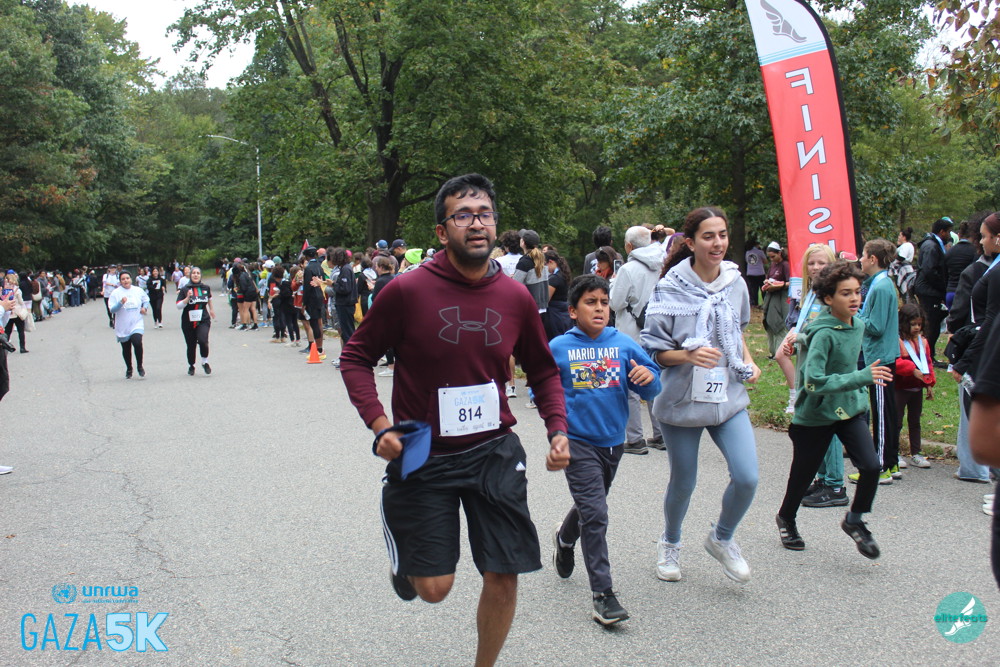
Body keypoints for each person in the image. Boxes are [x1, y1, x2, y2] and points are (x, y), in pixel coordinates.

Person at [340, 173, 569, 667]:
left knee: (503, 572)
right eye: (463, 215)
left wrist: (557, 430)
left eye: (484, 214)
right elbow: (355, 356)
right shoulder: (407, 291)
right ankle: (405, 545)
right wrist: (380, 424)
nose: (477, 223)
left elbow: (544, 369)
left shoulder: (515, 297)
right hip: (425, 452)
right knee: (434, 589)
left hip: (493, 450)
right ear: (443, 232)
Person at [641, 206, 761, 584]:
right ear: (691, 243)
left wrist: (748, 361)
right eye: (708, 236)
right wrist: (688, 355)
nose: (718, 243)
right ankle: (670, 543)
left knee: (747, 477)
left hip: (727, 397)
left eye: (722, 235)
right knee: (684, 482)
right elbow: (653, 353)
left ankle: (721, 538)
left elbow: (737, 331)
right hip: (681, 400)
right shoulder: (669, 287)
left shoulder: (735, 282)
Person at [549, 274, 661, 625]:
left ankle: (564, 538)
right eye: (590, 302)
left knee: (590, 507)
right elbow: (542, 389)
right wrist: (557, 430)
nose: (599, 309)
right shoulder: (559, 347)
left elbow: (651, 383)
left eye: (603, 302)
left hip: (613, 443)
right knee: (596, 514)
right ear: (572, 311)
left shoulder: (623, 343)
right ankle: (603, 594)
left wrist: (648, 378)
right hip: (577, 442)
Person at [775, 261, 892, 559]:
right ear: (828, 298)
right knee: (802, 476)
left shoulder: (858, 324)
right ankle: (786, 518)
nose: (854, 299)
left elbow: (824, 338)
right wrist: (861, 377)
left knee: (871, 466)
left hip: (849, 409)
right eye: (845, 293)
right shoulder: (824, 333)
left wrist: (802, 338)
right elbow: (813, 381)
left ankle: (854, 520)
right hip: (816, 414)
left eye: (857, 292)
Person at [609, 225, 666, 454]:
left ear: (629, 246)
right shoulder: (663, 264)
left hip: (630, 332)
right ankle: (661, 434)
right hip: (657, 330)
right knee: (653, 377)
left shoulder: (628, 269)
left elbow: (615, 303)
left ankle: (635, 439)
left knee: (630, 384)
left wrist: (613, 284)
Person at [850, 239, 901, 484]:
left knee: (881, 413)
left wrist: (856, 315)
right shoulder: (881, 283)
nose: (860, 259)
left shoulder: (881, 287)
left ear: (873, 259)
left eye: (863, 255)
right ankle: (891, 462)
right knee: (886, 410)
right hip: (882, 355)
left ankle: (880, 466)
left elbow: (876, 326)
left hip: (880, 357)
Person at [775, 244, 836, 414]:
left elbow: (828, 334)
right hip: (806, 366)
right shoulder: (810, 293)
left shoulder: (831, 296)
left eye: (821, 263)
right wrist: (795, 345)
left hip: (822, 369)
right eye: (811, 263)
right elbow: (806, 325)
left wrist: (800, 338)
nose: (815, 267)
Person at [894, 303, 935, 468]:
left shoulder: (923, 342)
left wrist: (929, 383)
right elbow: (895, 362)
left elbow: (928, 363)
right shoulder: (898, 341)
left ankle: (916, 453)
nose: (917, 327)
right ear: (904, 323)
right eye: (913, 324)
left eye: (919, 324)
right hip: (899, 388)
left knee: (915, 421)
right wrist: (912, 370)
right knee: (897, 421)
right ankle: (894, 452)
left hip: (916, 388)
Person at [914, 217, 953, 365]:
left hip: (929, 289)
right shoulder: (931, 246)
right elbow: (930, 270)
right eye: (948, 232)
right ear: (942, 232)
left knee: (933, 322)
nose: (949, 235)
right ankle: (927, 355)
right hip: (929, 291)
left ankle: (928, 354)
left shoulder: (932, 245)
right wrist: (942, 287)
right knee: (931, 324)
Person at [108, 271, 150, 379]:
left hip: (136, 323)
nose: (125, 280)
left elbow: (146, 299)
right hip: (123, 325)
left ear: (131, 279)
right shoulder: (116, 293)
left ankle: (140, 366)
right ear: (120, 281)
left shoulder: (138, 290)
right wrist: (120, 303)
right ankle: (129, 368)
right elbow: (112, 309)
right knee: (126, 348)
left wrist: (144, 308)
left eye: (127, 278)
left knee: (137, 342)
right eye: (123, 279)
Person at [177, 267, 215, 376]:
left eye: (198, 273)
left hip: (203, 319)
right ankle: (191, 365)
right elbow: (178, 306)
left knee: (203, 340)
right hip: (188, 321)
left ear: (200, 275)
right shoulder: (185, 289)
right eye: (193, 273)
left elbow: (209, 298)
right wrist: (187, 298)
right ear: (190, 275)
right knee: (191, 344)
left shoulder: (205, 288)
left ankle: (204, 362)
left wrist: (211, 309)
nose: (196, 275)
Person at [330, 247, 358, 368]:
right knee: (347, 331)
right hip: (345, 303)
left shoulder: (345, 270)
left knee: (347, 332)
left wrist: (333, 284)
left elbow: (345, 288)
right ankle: (349, 357)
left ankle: (350, 359)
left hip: (345, 303)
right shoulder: (346, 268)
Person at [761, 242, 790, 358]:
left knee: (778, 324)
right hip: (770, 296)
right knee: (769, 322)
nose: (772, 259)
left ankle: (780, 352)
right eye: (770, 257)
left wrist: (780, 285)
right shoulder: (773, 265)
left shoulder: (785, 265)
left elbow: (791, 282)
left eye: (773, 256)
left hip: (781, 297)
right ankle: (772, 352)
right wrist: (767, 282)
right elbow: (768, 277)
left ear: (779, 253)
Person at [301, 247, 326, 359]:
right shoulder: (319, 266)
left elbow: (307, 287)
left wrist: (304, 303)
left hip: (312, 298)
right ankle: (320, 346)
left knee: (314, 323)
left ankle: (318, 349)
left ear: (306, 256)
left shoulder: (308, 268)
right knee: (319, 322)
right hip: (320, 295)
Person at [945, 221, 977, 309]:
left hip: (950, 292)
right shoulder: (975, 251)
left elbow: (945, 273)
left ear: (959, 235)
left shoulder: (950, 252)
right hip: (965, 293)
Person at [744, 239, 766, 307]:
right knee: (763, 288)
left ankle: (754, 303)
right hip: (760, 273)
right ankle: (765, 303)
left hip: (750, 273)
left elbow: (747, 261)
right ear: (756, 245)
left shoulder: (747, 252)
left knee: (754, 290)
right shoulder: (760, 252)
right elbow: (765, 261)